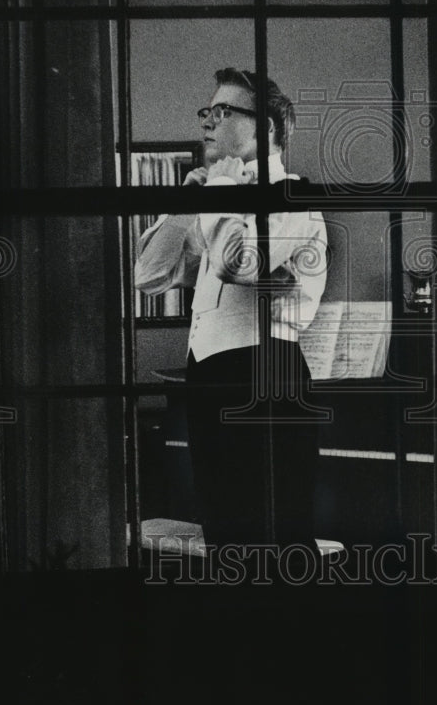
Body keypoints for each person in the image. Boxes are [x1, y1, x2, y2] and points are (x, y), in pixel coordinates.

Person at [135, 68, 327, 553]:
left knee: (271, 539)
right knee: (226, 537)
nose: (207, 122)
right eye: (208, 111)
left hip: (265, 377)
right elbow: (148, 276)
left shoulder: (293, 196)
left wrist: (218, 197)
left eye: (222, 112)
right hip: (209, 380)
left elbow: (241, 262)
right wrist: (186, 203)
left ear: (264, 127)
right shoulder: (217, 198)